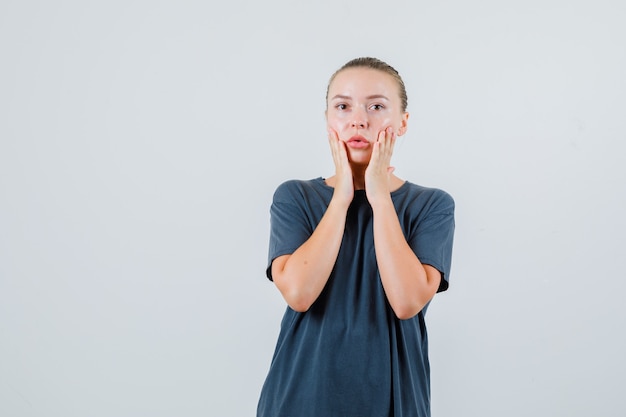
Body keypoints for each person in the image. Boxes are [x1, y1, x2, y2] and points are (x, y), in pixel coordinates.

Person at [257, 57, 455, 417]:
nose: (358, 120)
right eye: (343, 106)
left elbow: (407, 301)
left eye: (376, 106)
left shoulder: (431, 205)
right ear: (328, 118)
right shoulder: (295, 197)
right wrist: (343, 196)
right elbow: (299, 293)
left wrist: (380, 197)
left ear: (403, 122)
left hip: (393, 401)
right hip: (301, 399)